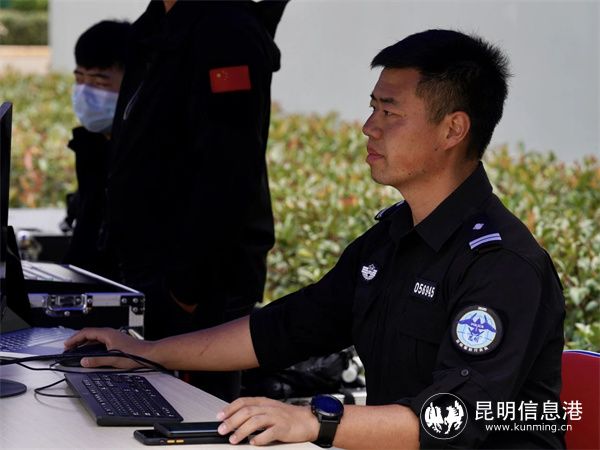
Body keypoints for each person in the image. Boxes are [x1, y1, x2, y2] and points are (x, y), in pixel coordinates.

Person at [66, 29, 566, 449]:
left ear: (453, 129)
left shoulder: (502, 265)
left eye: (389, 113)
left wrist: (313, 421)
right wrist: (149, 352)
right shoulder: (391, 239)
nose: (369, 127)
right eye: (372, 108)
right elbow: (284, 329)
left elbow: (454, 419)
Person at [103, 0, 288, 402]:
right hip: (149, 274)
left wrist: (184, 292)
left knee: (191, 416)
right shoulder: (156, 24)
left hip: (198, 285)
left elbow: (230, 171)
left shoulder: (227, 31)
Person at [62, 20, 131, 279]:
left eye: (100, 82)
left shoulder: (143, 153)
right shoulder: (91, 146)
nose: (85, 92)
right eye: (80, 79)